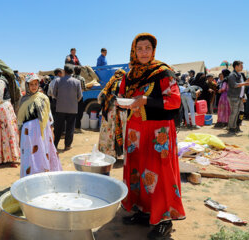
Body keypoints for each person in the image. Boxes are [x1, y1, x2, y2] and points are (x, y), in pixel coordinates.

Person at [117, 33, 185, 239]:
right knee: (138, 170)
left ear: (153, 50)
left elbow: (174, 101)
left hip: (158, 131)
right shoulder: (129, 75)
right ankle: (144, 211)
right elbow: (122, 95)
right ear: (134, 51)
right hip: (135, 131)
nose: (143, 52)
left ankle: (164, 219)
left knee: (159, 173)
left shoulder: (163, 72)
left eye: (147, 48)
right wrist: (120, 101)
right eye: (140, 49)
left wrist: (146, 100)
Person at [17, 73, 62, 177]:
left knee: (43, 153)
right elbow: (20, 121)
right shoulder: (23, 100)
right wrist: (19, 136)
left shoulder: (43, 98)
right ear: (27, 85)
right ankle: (31, 178)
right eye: (31, 84)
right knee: (30, 156)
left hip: (43, 132)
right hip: (28, 133)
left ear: (38, 85)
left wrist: (52, 130)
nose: (33, 87)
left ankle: (44, 177)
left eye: (35, 84)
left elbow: (48, 116)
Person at [98, 69, 126, 158]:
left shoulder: (109, 83)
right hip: (121, 113)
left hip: (109, 113)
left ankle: (109, 154)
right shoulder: (124, 83)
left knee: (109, 134)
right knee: (121, 132)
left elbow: (99, 98)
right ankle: (121, 154)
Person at [53, 64, 82, 150]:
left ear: (64, 71)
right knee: (70, 128)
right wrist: (73, 102)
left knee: (58, 128)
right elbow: (80, 96)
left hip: (60, 109)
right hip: (72, 109)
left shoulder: (58, 81)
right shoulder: (77, 82)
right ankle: (67, 145)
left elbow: (54, 95)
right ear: (72, 71)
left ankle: (55, 145)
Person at [227, 61, 249, 134]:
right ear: (236, 66)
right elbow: (234, 85)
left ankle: (235, 127)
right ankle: (231, 127)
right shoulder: (232, 75)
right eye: (241, 65)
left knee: (239, 112)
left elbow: (242, 86)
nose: (242, 67)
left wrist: (246, 83)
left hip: (239, 97)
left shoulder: (240, 75)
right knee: (234, 112)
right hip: (233, 96)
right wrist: (245, 83)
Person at [73, 66, 86, 133]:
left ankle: (72, 127)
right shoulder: (81, 79)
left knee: (72, 113)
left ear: (74, 71)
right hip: (79, 98)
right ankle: (77, 128)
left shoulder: (71, 78)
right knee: (79, 113)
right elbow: (84, 88)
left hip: (71, 98)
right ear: (80, 71)